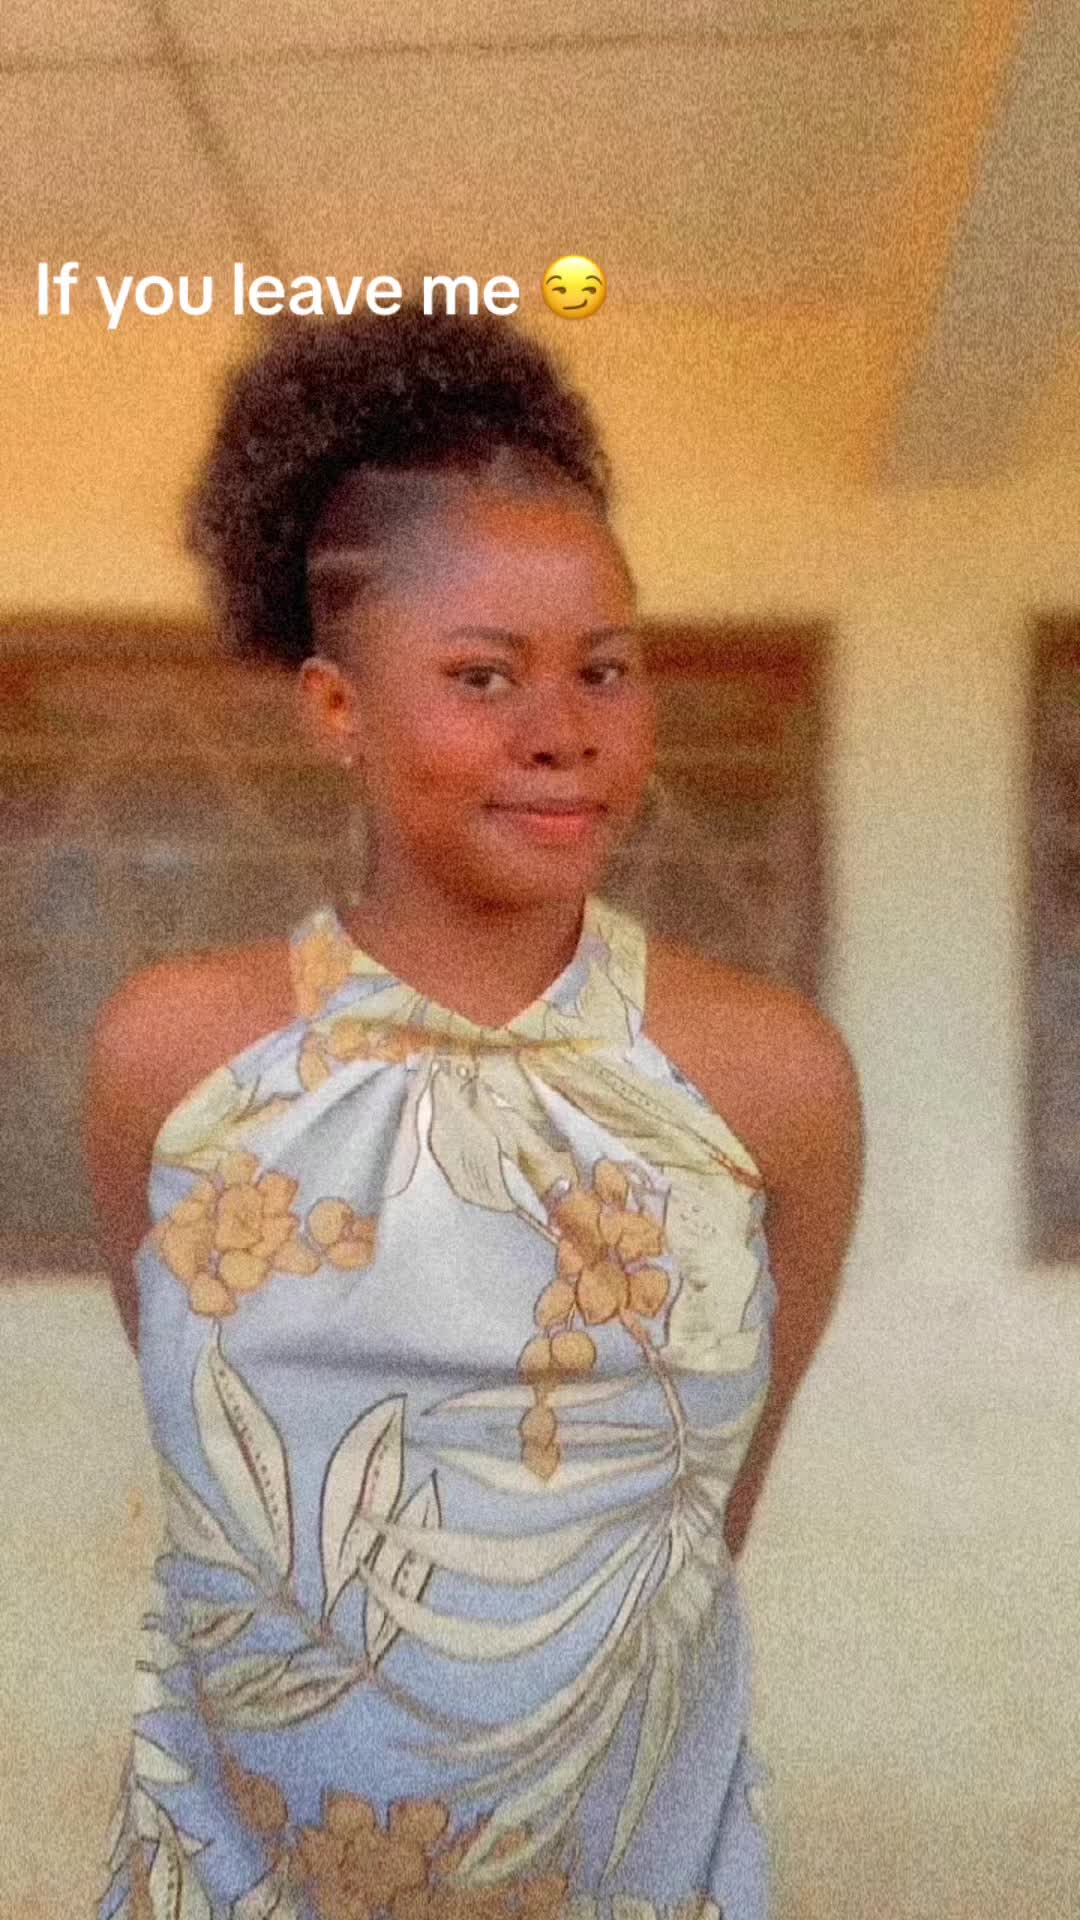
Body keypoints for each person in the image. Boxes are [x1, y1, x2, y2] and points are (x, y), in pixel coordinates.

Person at [82, 300, 863, 1920]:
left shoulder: (769, 1083)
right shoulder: (175, 1063)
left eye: (606, 671)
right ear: (336, 711)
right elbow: (210, 1459)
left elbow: (697, 1521)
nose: (562, 731)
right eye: (483, 675)